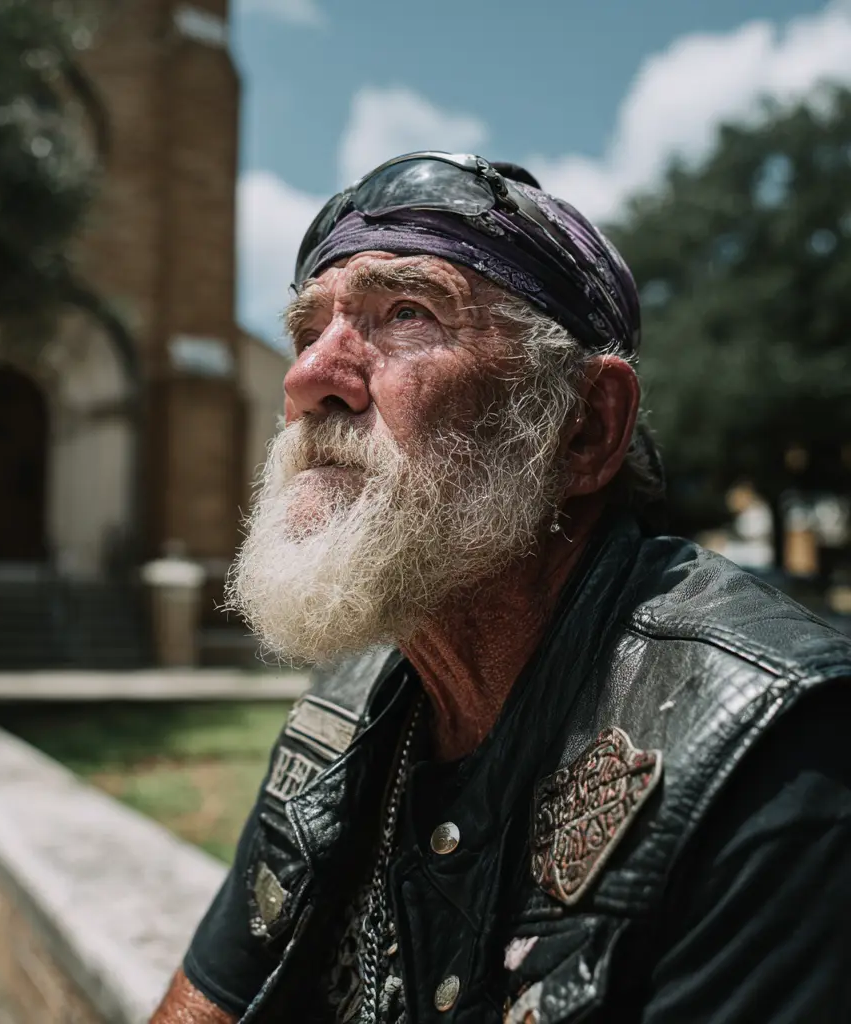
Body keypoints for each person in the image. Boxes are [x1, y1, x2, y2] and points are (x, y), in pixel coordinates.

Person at [151, 152, 851, 1023]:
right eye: (307, 331)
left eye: (405, 312)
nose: (306, 380)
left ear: (585, 429)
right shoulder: (345, 704)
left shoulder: (784, 752)